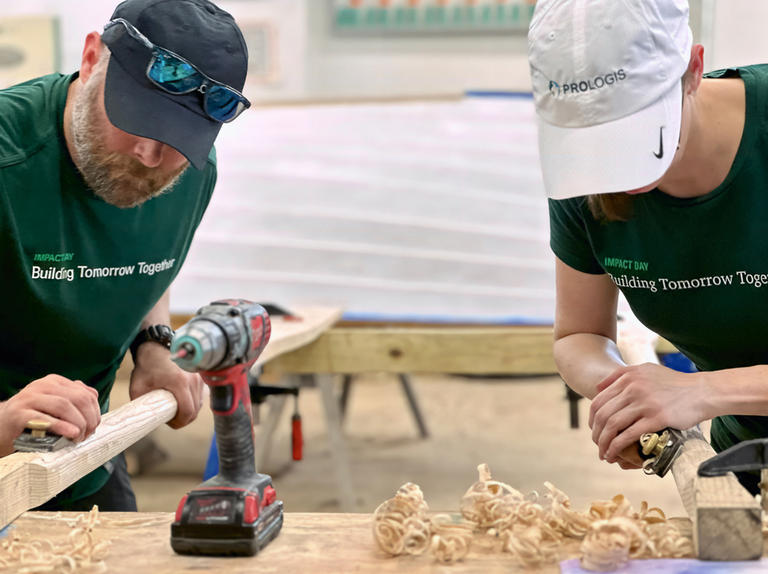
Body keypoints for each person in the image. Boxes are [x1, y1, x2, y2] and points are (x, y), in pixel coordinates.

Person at [0, 0, 250, 510]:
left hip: (80, 461)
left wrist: (155, 344)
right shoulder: (8, 160)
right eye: (135, 120)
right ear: (92, 59)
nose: (150, 157)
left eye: (176, 138)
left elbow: (148, 261)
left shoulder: (191, 174)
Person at [528, 0, 768, 493]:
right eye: (595, 143)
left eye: (635, 133)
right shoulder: (583, 183)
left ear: (693, 70)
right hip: (744, 458)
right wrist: (626, 395)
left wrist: (702, 390)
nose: (615, 167)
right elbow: (578, 336)